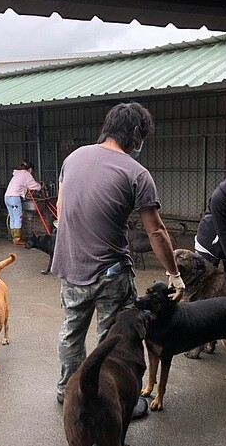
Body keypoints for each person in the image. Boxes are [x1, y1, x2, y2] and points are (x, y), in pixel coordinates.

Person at [50, 102, 185, 418]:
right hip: (111, 272)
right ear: (136, 134)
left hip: (70, 267)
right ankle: (114, 400)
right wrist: (174, 273)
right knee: (114, 339)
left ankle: (68, 392)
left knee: (71, 333)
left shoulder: (72, 159)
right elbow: (157, 233)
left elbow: (61, 205)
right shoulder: (136, 173)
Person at [4, 161, 41, 245]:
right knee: (18, 217)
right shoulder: (26, 174)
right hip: (14, 198)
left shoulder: (17, 174)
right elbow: (33, 185)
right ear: (30, 169)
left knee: (12, 217)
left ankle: (12, 236)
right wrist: (40, 186)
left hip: (7, 197)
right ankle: (17, 239)